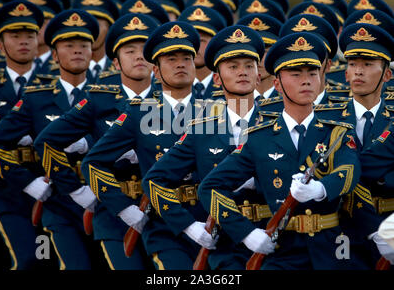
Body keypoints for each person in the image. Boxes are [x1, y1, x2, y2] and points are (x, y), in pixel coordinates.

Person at [198, 32, 362, 270]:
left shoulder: (337, 131)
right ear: (276, 84)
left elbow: (350, 168)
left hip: (332, 248)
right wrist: (245, 233)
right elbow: (210, 187)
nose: (306, 81)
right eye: (296, 74)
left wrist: (321, 188)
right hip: (281, 251)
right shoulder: (260, 138)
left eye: (313, 73)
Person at [34, 13, 159, 270]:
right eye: (129, 51)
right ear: (115, 63)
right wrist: (77, 191)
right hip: (114, 211)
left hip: (165, 213)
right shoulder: (99, 101)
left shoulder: (172, 103)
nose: (138, 56)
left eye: (145, 50)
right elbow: (46, 142)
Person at [141, 24, 270, 269]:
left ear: (258, 75)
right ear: (217, 78)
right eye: (233, 67)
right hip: (224, 243)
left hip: (271, 236)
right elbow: (154, 180)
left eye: (249, 66)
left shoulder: (279, 122)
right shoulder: (202, 129)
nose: (242, 72)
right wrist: (188, 226)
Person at [81, 21, 203, 270]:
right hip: (164, 224)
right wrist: (124, 208)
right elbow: (93, 163)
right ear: (155, 71)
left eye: (186, 58)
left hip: (209, 222)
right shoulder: (140, 113)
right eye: (171, 59)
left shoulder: (214, 111)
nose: (181, 64)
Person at [0, 9, 101, 270]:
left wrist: (87, 141)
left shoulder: (107, 95)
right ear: (54, 55)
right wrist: (29, 182)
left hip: (98, 195)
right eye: (68, 46)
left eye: (84, 45)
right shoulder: (38, 97)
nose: (77, 51)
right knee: (37, 261)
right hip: (48, 194)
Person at [0, 0, 57, 270]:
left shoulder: (54, 84)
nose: (24, 42)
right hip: (4, 188)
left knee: (50, 262)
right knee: (28, 259)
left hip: (51, 186)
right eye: (14, 36)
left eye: (30, 35)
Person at [178, 5, 226, 99]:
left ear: (214, 45)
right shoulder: (169, 87)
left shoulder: (229, 86)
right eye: (190, 41)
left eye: (201, 40)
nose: (195, 46)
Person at [72, 0, 120, 82]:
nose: (91, 31)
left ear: (109, 28)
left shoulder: (122, 73)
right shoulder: (60, 72)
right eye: (85, 25)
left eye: (97, 25)